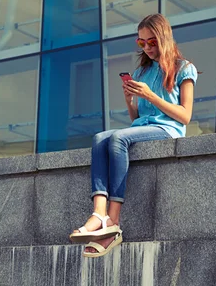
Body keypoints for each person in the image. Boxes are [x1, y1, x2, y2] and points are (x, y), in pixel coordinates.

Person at [69, 13, 198, 258]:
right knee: (99, 138)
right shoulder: (142, 72)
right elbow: (135, 118)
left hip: (167, 129)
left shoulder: (184, 69)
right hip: (144, 126)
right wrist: (130, 99)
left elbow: (185, 116)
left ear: (164, 39)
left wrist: (151, 96)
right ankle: (99, 213)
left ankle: (113, 219)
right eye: (141, 42)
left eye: (152, 42)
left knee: (118, 139)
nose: (147, 47)